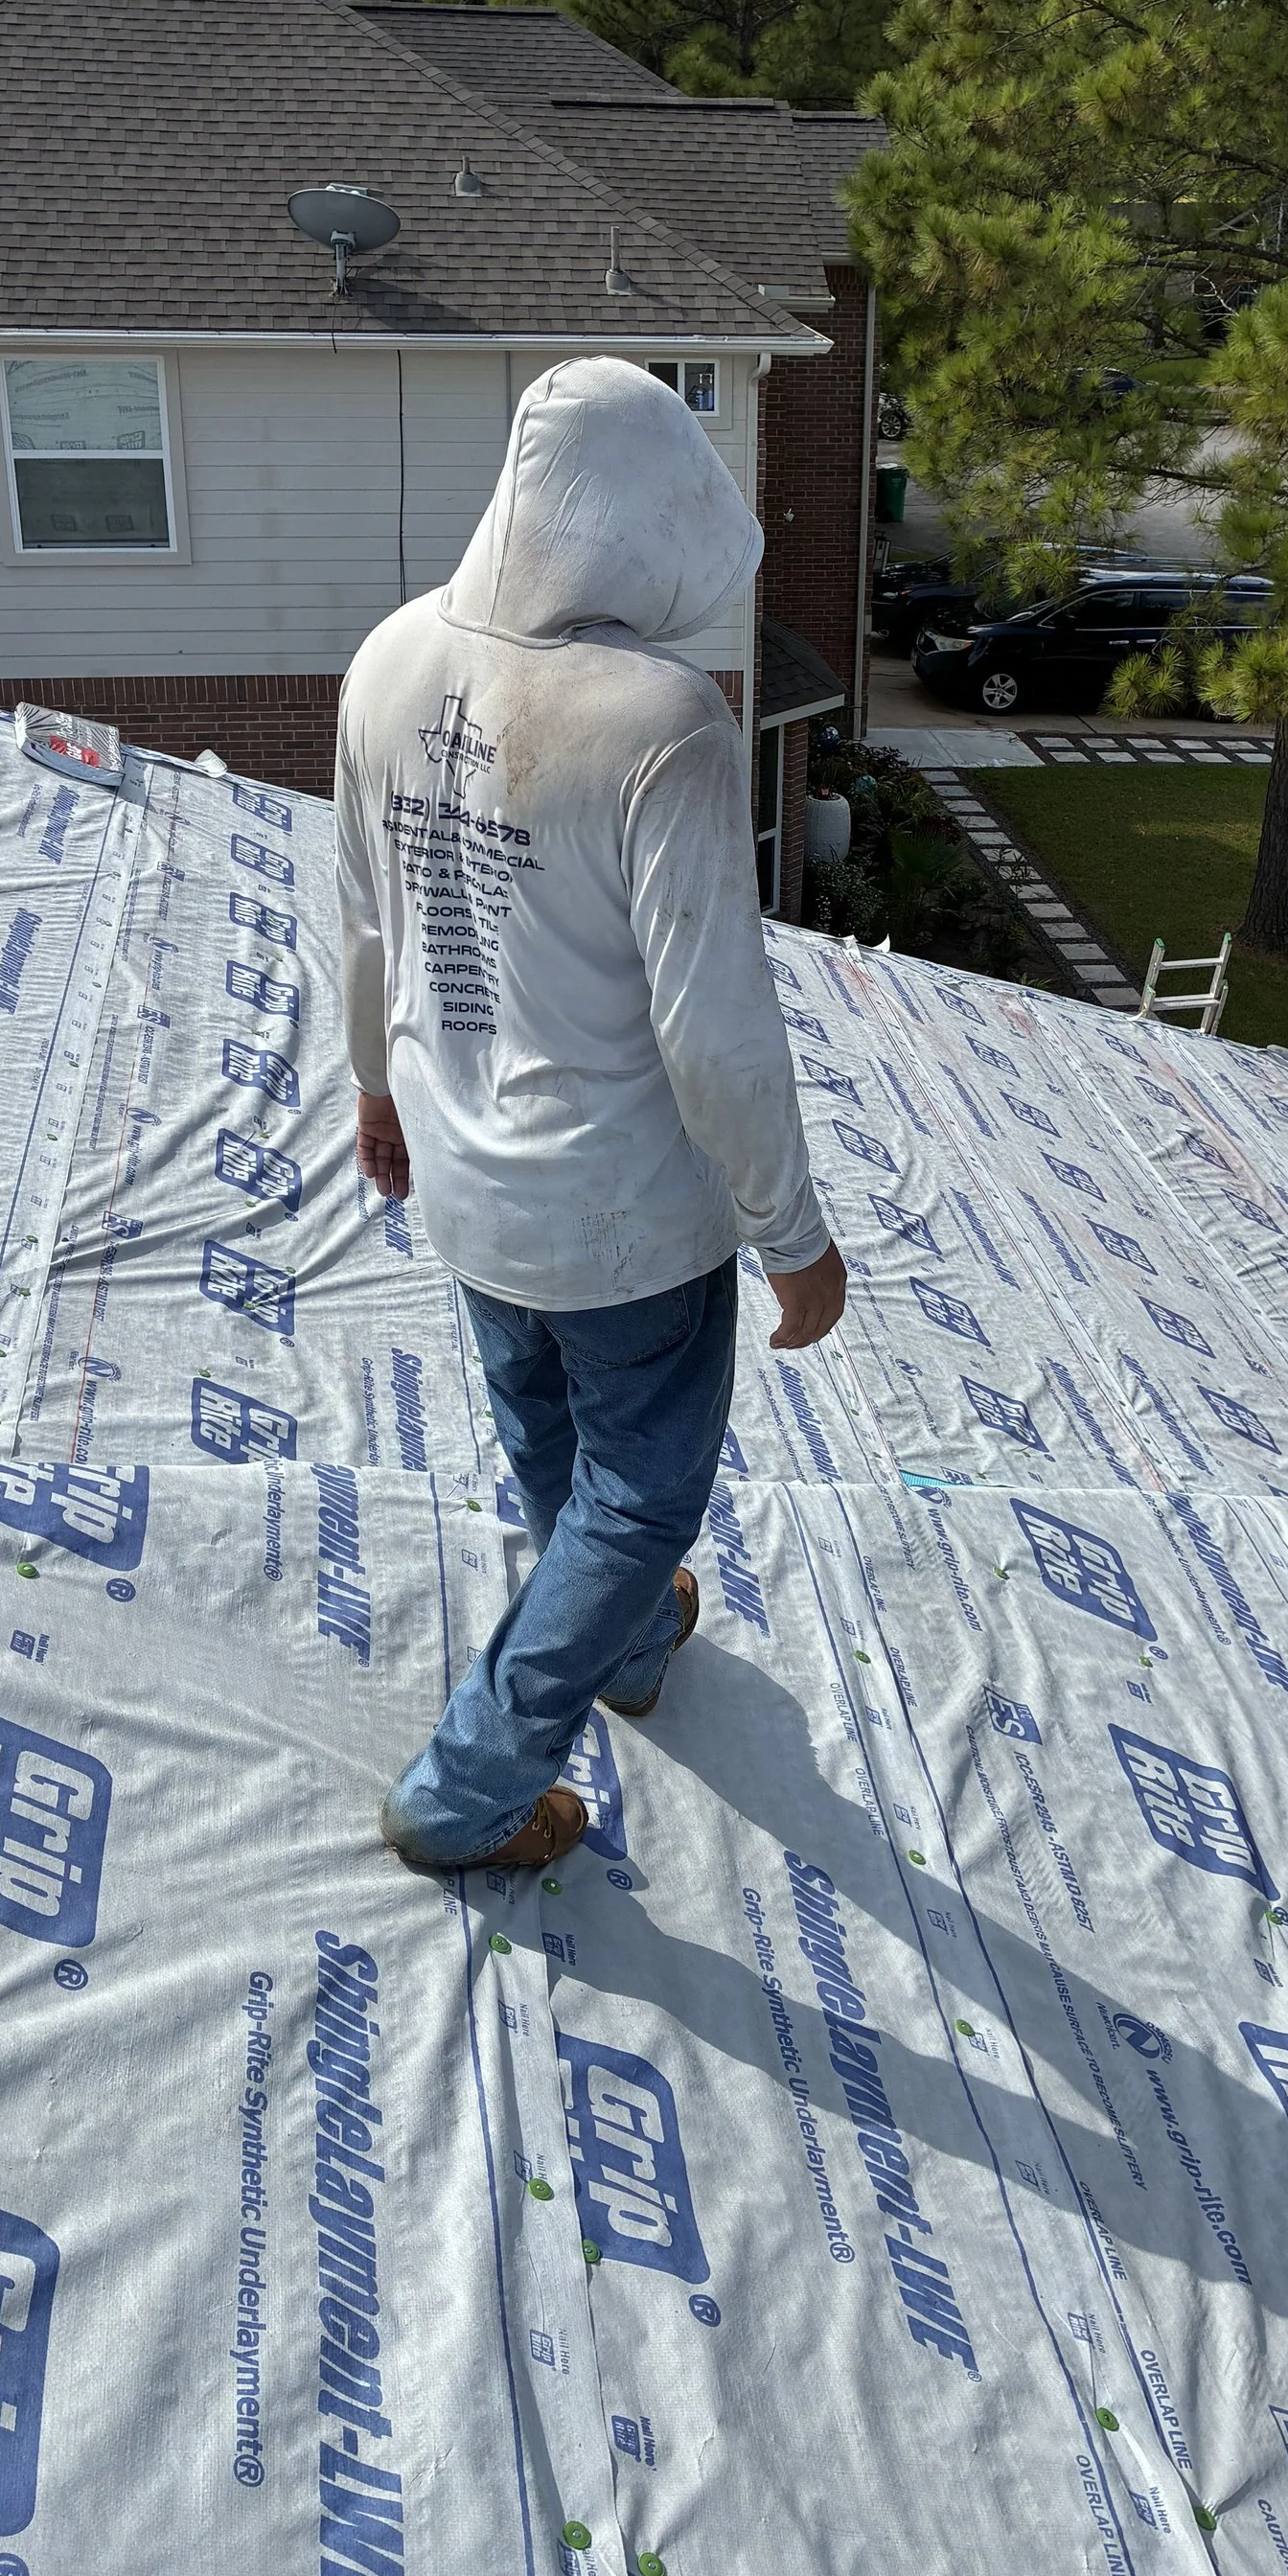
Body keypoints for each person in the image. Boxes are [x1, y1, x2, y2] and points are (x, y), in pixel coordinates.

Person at [334, 356, 846, 1874]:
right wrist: (793, 1237)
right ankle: (466, 1790)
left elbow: (362, 927)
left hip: (466, 1185)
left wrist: (377, 1093)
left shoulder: (390, 658)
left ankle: (626, 1646)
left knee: (548, 1433)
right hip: (624, 1218)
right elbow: (716, 1033)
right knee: (636, 1497)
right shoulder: (664, 721)